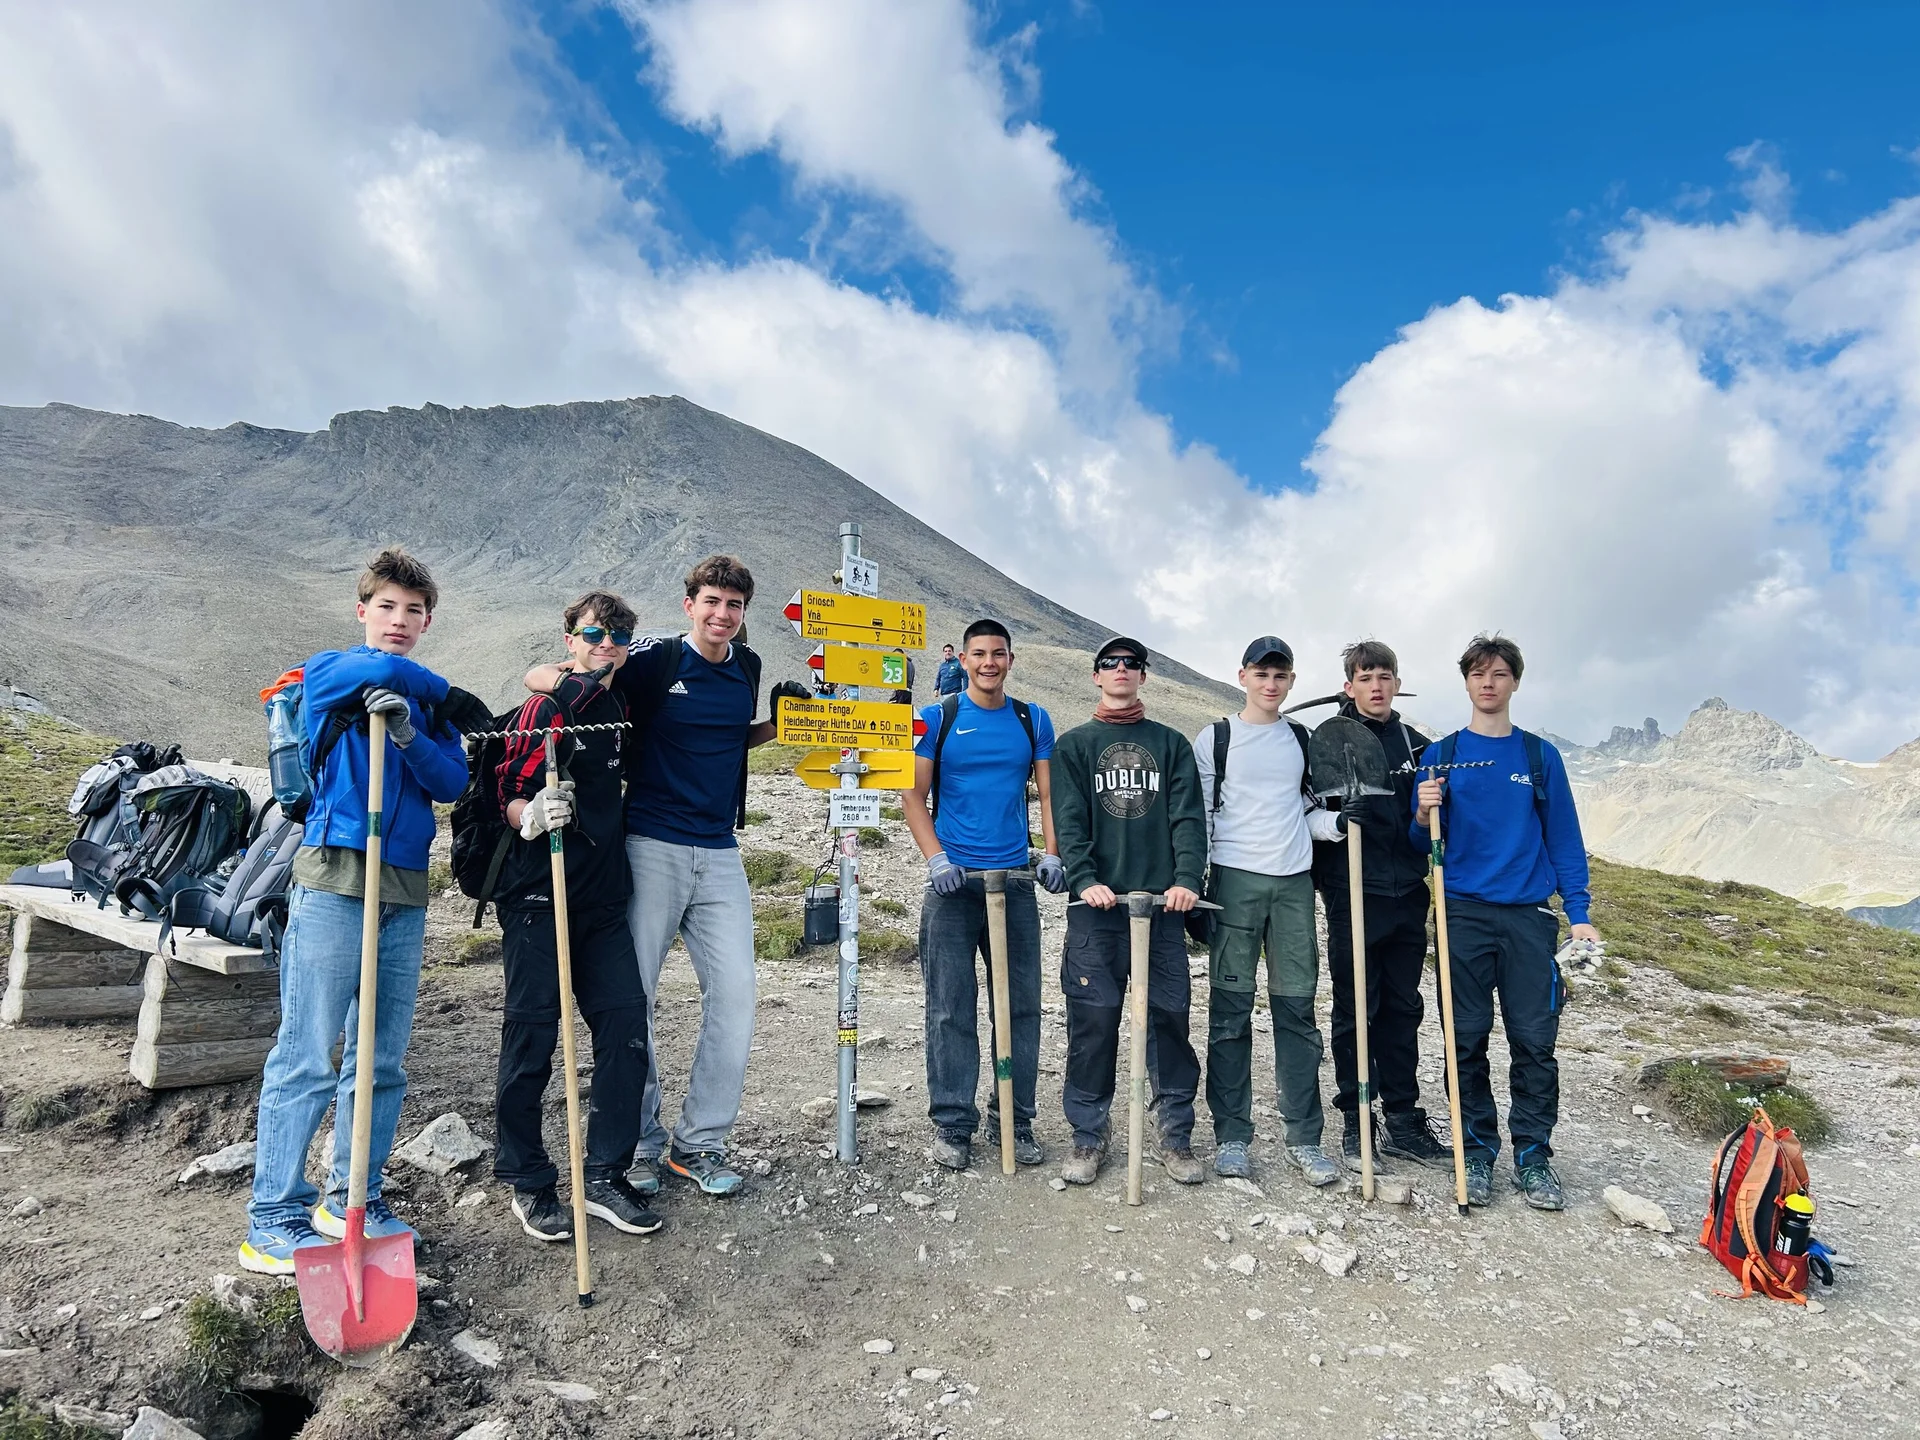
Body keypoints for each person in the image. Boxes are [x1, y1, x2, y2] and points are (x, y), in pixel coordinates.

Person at [525, 556, 807, 1200]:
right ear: (689, 604)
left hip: (719, 849)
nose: (722, 615)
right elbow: (546, 674)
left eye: (734, 605)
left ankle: (699, 1142)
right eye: (712, 601)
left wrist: (780, 725)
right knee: (636, 999)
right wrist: (558, 678)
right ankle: (642, 1143)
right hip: (650, 841)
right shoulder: (656, 660)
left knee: (736, 995)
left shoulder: (747, 665)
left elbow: (731, 739)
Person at [241, 547, 470, 1274]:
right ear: (362, 610)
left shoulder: (427, 711)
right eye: (387, 608)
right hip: (337, 879)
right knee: (308, 1053)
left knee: (380, 1061)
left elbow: (453, 780)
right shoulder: (329, 671)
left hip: (401, 887)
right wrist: (431, 686)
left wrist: (407, 729)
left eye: (413, 611)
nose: (399, 622)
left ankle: (352, 1199)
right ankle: (273, 1217)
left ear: (427, 618)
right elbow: (373, 670)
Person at [493, 591, 660, 1243]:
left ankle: (604, 1175)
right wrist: (529, 815)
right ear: (571, 638)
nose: (606, 642)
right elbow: (503, 789)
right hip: (540, 895)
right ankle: (528, 1180)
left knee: (625, 1030)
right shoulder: (547, 704)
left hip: (602, 899)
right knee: (532, 1036)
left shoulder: (621, 705)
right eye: (594, 632)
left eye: (619, 633)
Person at [1413, 634, 1597, 1211]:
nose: (1487, 683)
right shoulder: (1440, 755)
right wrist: (1422, 812)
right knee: (1463, 1039)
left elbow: (1564, 838)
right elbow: (1420, 839)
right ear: (1465, 682)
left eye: (1498, 674)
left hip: (1528, 919)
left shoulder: (1539, 757)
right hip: (1460, 913)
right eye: (1477, 674)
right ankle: (1475, 1151)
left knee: (1535, 1041)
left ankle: (1534, 1156)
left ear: (1515, 681)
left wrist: (1580, 915)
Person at [902, 619, 1063, 1172]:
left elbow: (1047, 793)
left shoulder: (1032, 718)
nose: (988, 663)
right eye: (979, 654)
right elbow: (913, 795)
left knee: (1019, 1008)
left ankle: (1013, 1119)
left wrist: (1052, 852)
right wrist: (936, 859)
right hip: (954, 886)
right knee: (950, 1007)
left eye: (998, 654)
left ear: (1010, 660)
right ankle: (952, 1123)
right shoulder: (937, 717)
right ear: (963, 661)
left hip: (1014, 883)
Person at [1049, 637, 1208, 1186]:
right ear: (1096, 676)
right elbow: (1069, 820)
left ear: (1143, 676)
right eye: (1110, 664)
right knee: (1093, 1022)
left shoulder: (1170, 745)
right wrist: (1085, 879)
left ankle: (1174, 1134)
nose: (1121, 671)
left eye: (1131, 664)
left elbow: (1188, 818)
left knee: (1168, 1019)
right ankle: (1089, 1135)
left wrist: (1187, 880)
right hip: (1098, 912)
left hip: (1161, 912)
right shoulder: (1074, 745)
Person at [1193, 637, 1343, 1185]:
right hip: (1234, 882)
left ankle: (1305, 1138)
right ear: (1242, 676)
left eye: (1280, 675)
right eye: (1261, 673)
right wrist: (1195, 880)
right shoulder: (1217, 738)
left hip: (1294, 887)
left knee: (1297, 1013)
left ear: (1292, 681)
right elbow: (1200, 816)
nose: (1270, 683)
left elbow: (1306, 810)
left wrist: (1337, 826)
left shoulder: (1300, 739)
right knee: (1230, 1013)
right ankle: (1233, 1136)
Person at [1310, 641, 1453, 1172]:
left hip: (1407, 892)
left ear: (1397, 683)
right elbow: (1306, 814)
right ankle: (1356, 1119)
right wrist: (1334, 820)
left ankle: (1404, 1117)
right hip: (1352, 892)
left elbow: (1433, 823)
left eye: (1384, 676)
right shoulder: (1327, 743)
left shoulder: (1419, 748)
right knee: (1356, 1009)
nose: (1376, 685)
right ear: (1348, 686)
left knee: (1404, 1008)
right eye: (1365, 677)